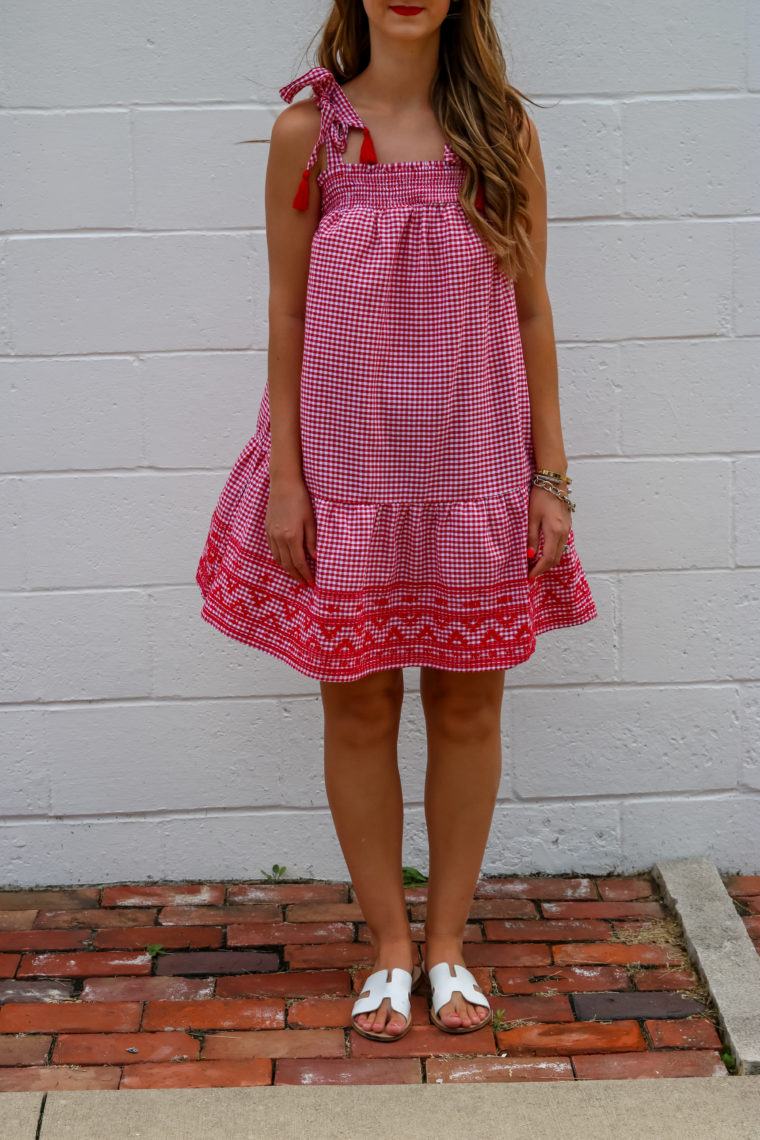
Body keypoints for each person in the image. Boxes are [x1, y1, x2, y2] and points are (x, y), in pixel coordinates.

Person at [196, 0, 597, 1042]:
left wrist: (549, 475)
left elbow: (533, 306)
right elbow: (285, 311)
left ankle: (450, 945)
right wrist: (289, 479)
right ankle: (386, 947)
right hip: (346, 466)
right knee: (359, 709)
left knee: (468, 710)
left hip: (473, 464)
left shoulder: (500, 131)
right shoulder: (311, 132)